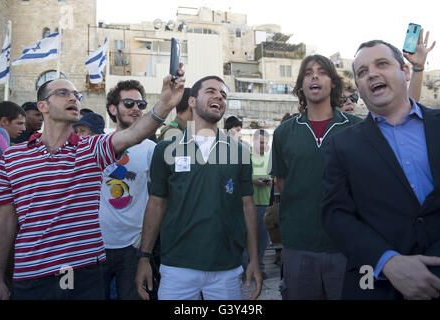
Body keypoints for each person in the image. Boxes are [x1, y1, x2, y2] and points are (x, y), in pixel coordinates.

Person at [0, 67, 185, 300]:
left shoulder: (92, 149)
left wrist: (165, 104)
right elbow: (5, 220)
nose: (73, 97)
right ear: (42, 106)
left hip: (83, 271)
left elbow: (135, 134)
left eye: (76, 95)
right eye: (63, 93)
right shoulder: (13, 158)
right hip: (31, 272)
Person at [321, 39, 440, 300]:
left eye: (382, 64)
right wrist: (386, 261)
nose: (372, 74)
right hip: (376, 287)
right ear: (360, 88)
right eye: (362, 72)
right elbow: (336, 215)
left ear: (406, 72)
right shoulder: (341, 145)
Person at [135, 75, 262, 300]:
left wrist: (253, 260)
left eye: (223, 95)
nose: (219, 97)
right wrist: (144, 257)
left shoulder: (240, 152)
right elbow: (156, 204)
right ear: (192, 101)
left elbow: (247, 208)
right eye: (211, 91)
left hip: (226, 268)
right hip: (177, 267)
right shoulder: (166, 148)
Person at [270, 54, 361, 300]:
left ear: (333, 83)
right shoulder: (283, 133)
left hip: (347, 246)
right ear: (301, 85)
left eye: (322, 72)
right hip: (299, 246)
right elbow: (284, 184)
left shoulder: (357, 128)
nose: (314, 76)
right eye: (308, 72)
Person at [99, 80, 156, 300]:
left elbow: (158, 198)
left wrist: (146, 247)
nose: (136, 109)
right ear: (113, 109)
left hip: (133, 246)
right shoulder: (99, 144)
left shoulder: (151, 149)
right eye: (129, 103)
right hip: (97, 244)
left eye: (141, 104)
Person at [243, 129, 272, 280]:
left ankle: (259, 268)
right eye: (261, 142)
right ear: (254, 141)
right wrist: (253, 180)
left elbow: (275, 177)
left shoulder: (269, 157)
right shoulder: (245, 156)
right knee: (245, 237)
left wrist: (270, 181)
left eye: (265, 143)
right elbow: (239, 178)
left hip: (264, 204)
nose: (263, 145)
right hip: (248, 204)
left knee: (262, 239)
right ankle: (245, 267)